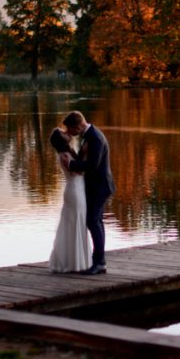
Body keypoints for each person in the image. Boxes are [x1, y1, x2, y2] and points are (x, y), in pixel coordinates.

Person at [61, 111, 114, 275]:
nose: (70, 132)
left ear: (78, 126)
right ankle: (99, 261)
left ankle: (99, 262)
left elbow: (93, 165)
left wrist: (71, 165)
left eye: (70, 129)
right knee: (96, 221)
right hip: (96, 186)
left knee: (92, 221)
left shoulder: (95, 137)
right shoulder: (89, 135)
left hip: (100, 187)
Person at [47, 127, 92, 273]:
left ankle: (78, 260)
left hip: (77, 189)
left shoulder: (69, 151)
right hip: (74, 191)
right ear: (61, 139)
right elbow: (78, 171)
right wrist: (86, 154)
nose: (66, 132)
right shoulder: (64, 155)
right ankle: (74, 262)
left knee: (77, 223)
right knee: (75, 223)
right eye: (63, 132)